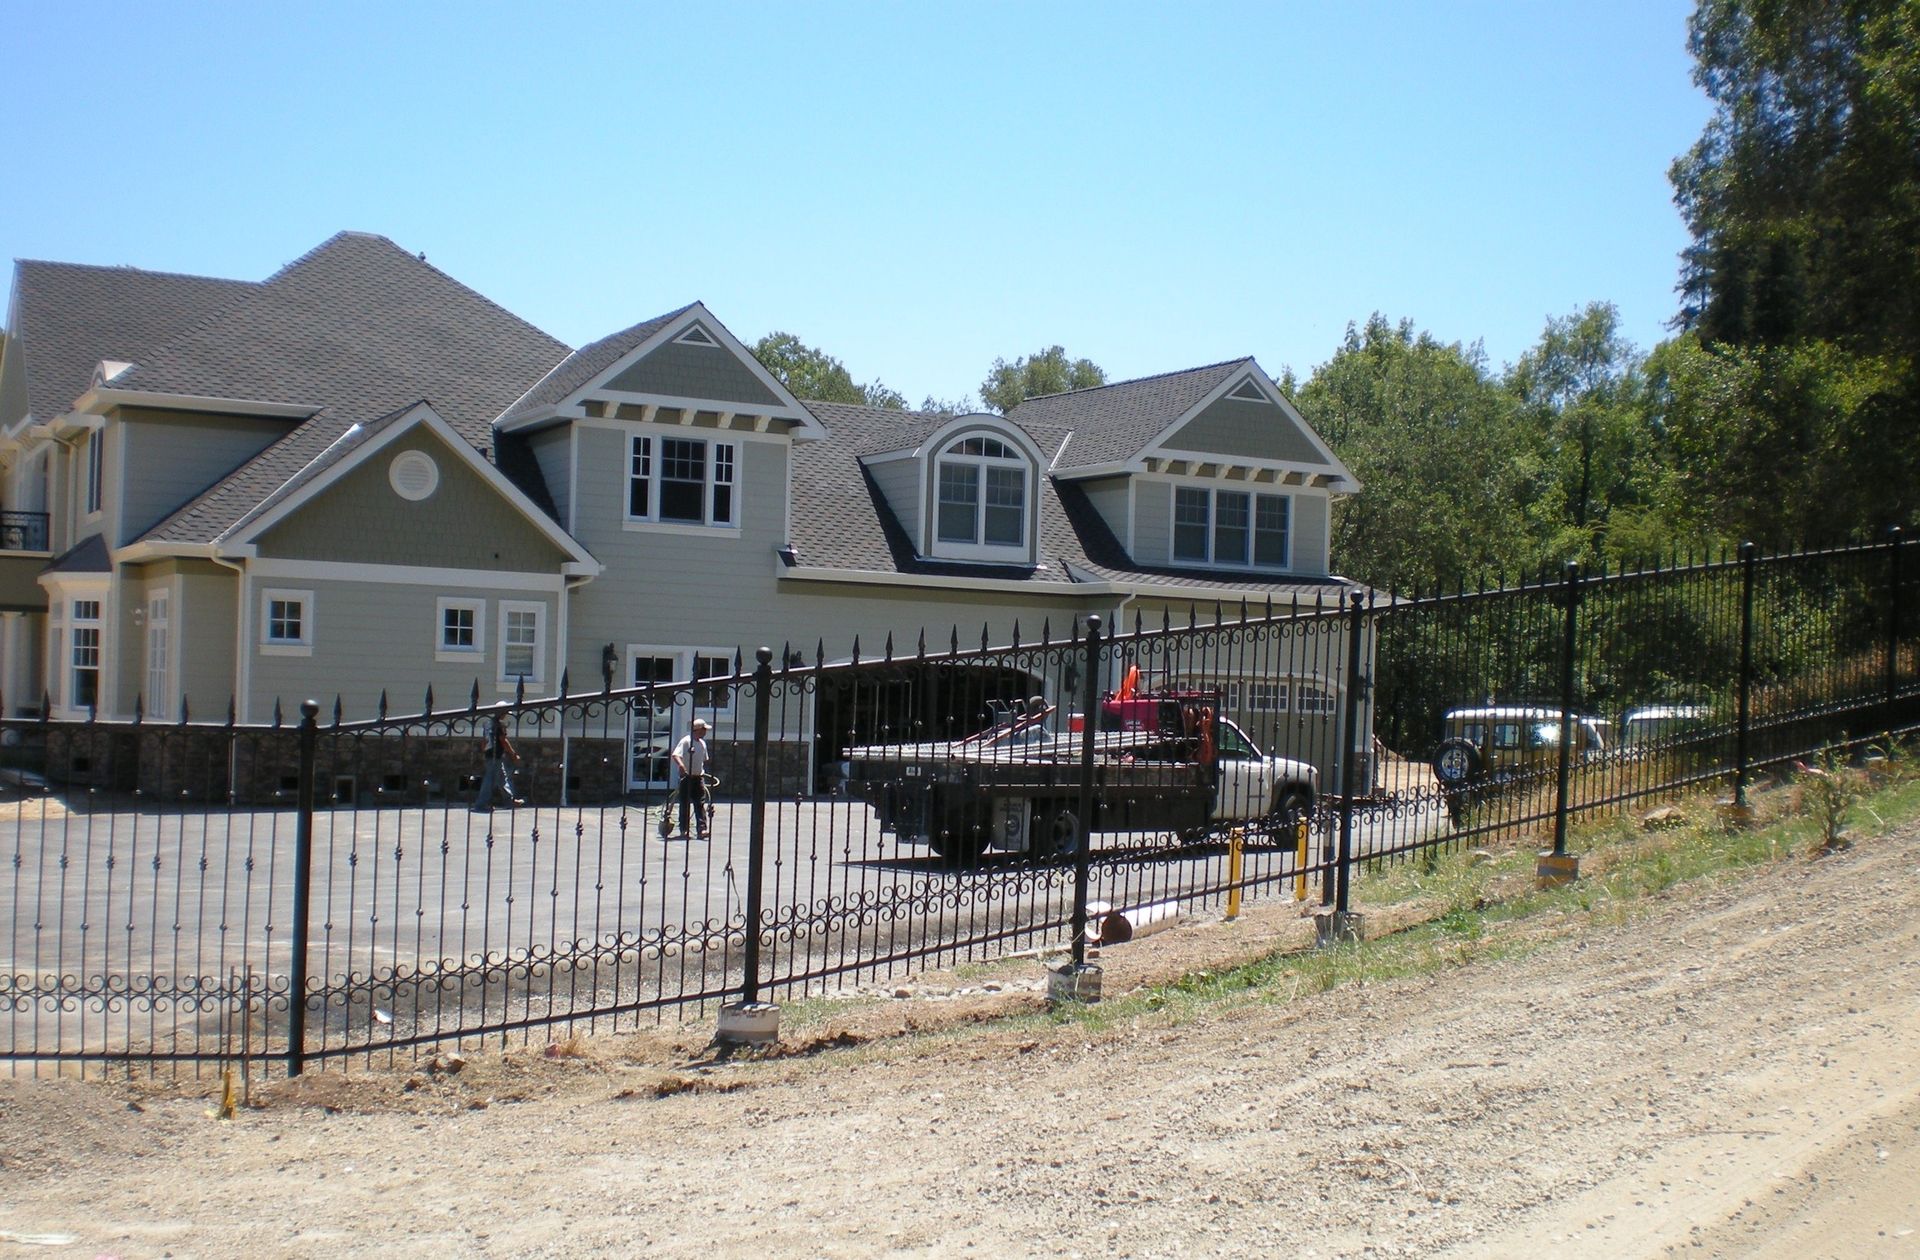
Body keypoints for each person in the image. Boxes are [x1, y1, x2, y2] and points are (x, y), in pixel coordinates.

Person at [474, 707, 521, 812]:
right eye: (505, 713)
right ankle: (481, 804)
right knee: (490, 780)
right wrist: (513, 754)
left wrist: (485, 751)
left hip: (490, 755)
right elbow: (503, 741)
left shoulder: (488, 724)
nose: (505, 715)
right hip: (496, 755)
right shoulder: (499, 725)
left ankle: (509, 800)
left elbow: (484, 740)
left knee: (502, 778)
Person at [671, 718, 712, 838]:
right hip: (687, 777)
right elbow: (676, 754)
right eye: (704, 729)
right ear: (698, 730)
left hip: (698, 777)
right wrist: (682, 765)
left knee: (700, 804)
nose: (705, 732)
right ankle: (684, 830)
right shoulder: (686, 741)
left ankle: (702, 829)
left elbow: (705, 759)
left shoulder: (702, 743)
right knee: (685, 803)